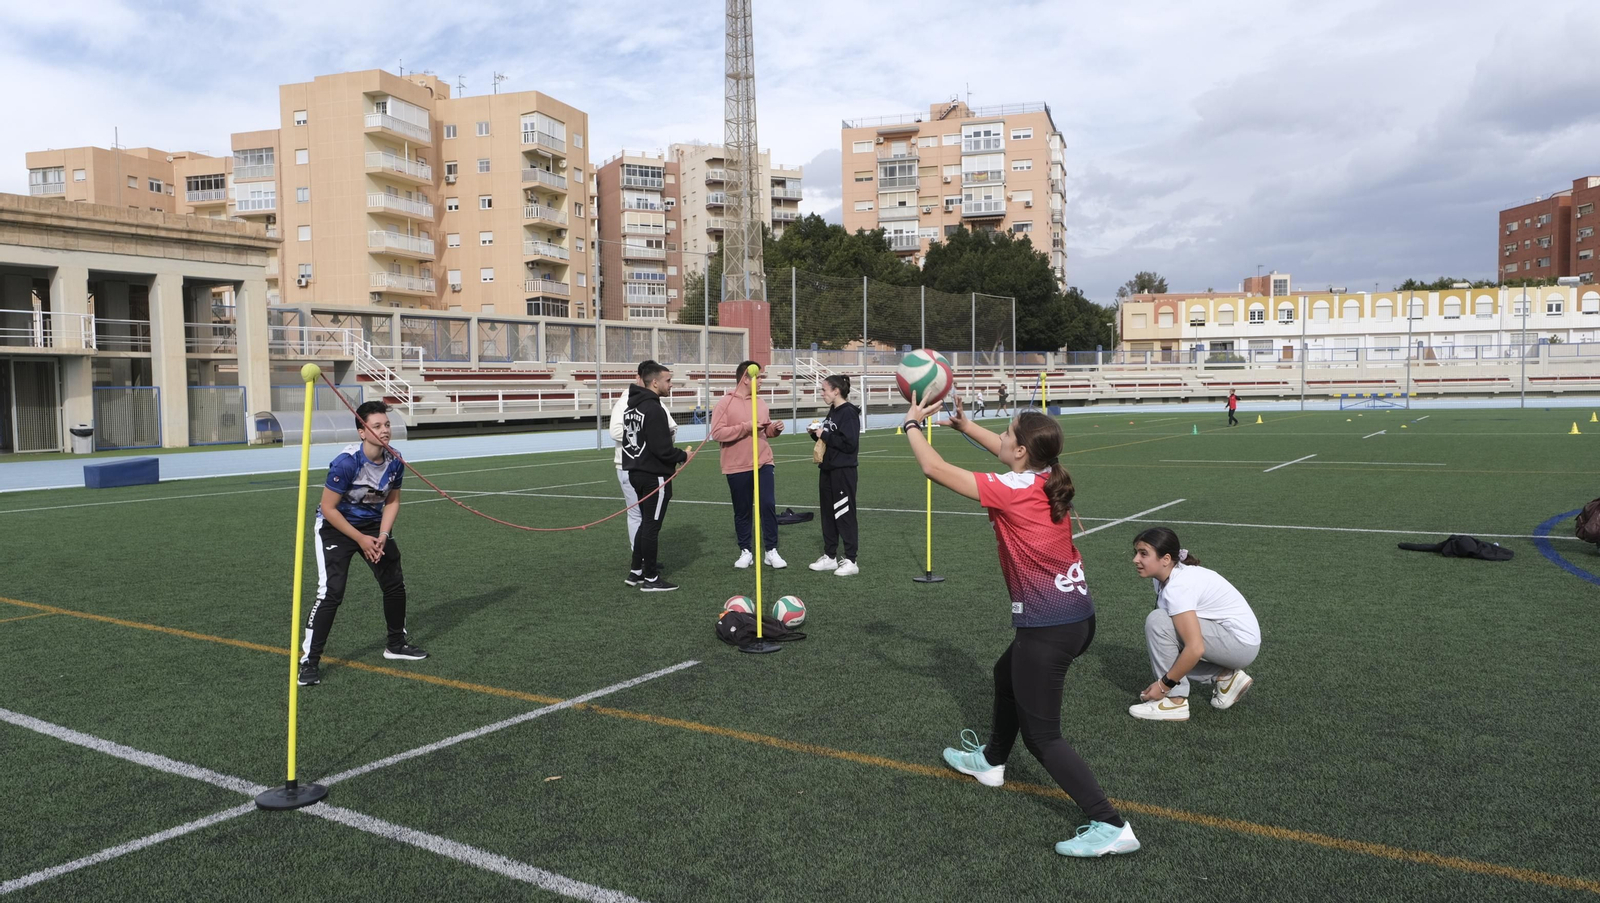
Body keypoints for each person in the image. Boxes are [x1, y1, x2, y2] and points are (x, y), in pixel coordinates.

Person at [904, 395, 1138, 859]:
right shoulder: (1046, 475)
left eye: (1007, 433)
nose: (1002, 437)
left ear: (1022, 452)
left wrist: (912, 424)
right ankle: (991, 760)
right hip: (1076, 617)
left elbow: (934, 469)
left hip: (1049, 627)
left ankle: (1110, 823)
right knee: (1004, 673)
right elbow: (1004, 450)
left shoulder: (1013, 488)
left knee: (1043, 737)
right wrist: (965, 427)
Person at [299, 401, 427, 687]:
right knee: (331, 592)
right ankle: (309, 661)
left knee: (394, 583)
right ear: (362, 432)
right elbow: (328, 507)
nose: (385, 430)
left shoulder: (395, 459)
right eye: (377, 426)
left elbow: (392, 501)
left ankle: (396, 644)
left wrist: (383, 535)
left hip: (373, 527)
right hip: (336, 528)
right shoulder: (347, 463)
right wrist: (359, 539)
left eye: (387, 425)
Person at [1127, 527, 1260, 722]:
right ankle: (1225, 677)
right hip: (1234, 640)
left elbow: (1195, 648)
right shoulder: (1167, 576)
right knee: (1164, 629)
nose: (1135, 559)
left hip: (1240, 644)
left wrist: (1163, 685)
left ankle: (1175, 702)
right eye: (1136, 553)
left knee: (1159, 622)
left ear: (1165, 559)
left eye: (1143, 553)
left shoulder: (1178, 586)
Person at [710, 360, 786, 569]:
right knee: (742, 510)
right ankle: (746, 551)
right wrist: (746, 427)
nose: (761, 381)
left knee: (768, 505)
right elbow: (717, 433)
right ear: (746, 378)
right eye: (758, 377)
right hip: (736, 465)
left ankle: (771, 551)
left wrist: (774, 429)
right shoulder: (724, 403)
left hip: (763, 462)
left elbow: (765, 430)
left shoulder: (761, 403)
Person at [621, 360, 687, 592]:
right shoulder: (654, 409)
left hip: (636, 473)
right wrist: (683, 455)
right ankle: (650, 578)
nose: (671, 384)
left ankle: (636, 571)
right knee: (651, 526)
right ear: (655, 382)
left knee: (645, 523)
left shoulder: (631, 408)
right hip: (653, 476)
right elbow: (662, 449)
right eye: (668, 380)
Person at [610, 365, 677, 551]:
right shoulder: (625, 402)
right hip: (629, 465)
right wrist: (646, 437)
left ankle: (642, 558)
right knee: (638, 515)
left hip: (650, 466)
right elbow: (615, 431)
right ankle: (639, 557)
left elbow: (671, 427)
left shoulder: (655, 402)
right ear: (640, 378)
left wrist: (662, 437)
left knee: (648, 518)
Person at [807, 374, 860, 577]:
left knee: (844, 514)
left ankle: (851, 560)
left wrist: (825, 434)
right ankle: (830, 557)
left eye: (824, 390)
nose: (822, 393)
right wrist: (816, 434)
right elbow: (831, 440)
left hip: (843, 472)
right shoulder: (833, 411)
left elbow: (850, 444)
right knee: (828, 514)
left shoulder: (849, 413)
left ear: (836, 391)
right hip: (827, 469)